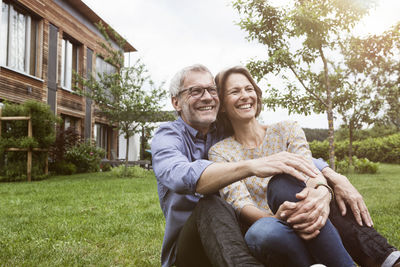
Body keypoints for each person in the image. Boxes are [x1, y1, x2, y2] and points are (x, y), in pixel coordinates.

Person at [151, 64, 400, 267]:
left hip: (238, 237)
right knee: (211, 203)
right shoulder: (168, 136)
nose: (206, 96)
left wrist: (331, 177)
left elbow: (293, 158)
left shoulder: (220, 132)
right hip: (194, 248)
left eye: (210, 90)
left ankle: (381, 257)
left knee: (299, 191)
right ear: (176, 102)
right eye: (195, 91)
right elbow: (180, 175)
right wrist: (252, 166)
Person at [209, 66, 352, 266]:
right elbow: (239, 202)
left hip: (303, 205)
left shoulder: (287, 129)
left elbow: (308, 168)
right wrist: (276, 217)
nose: (245, 96)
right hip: (268, 225)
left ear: (257, 95)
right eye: (234, 92)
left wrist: (318, 193)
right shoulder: (220, 151)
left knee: (281, 184)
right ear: (222, 105)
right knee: (264, 231)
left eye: (249, 89)